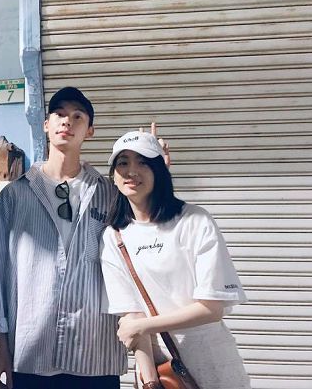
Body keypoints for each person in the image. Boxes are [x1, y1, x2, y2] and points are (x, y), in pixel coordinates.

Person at [0, 88, 166, 389]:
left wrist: (157, 175)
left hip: (95, 353)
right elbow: (0, 272)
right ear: (46, 124)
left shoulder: (111, 193)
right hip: (31, 351)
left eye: (77, 116)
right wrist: (1, 344)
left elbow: (150, 240)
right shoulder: (15, 196)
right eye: (59, 114)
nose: (67, 121)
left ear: (90, 130)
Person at [100, 130, 251, 389]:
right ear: (113, 176)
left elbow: (212, 308)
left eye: (143, 162)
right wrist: (150, 381)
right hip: (162, 370)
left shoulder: (195, 221)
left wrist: (144, 326)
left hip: (214, 362)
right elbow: (133, 316)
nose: (131, 171)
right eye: (123, 162)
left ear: (160, 171)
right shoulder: (114, 237)